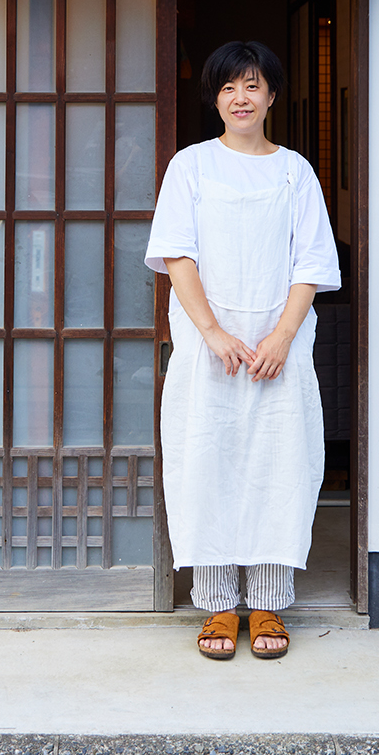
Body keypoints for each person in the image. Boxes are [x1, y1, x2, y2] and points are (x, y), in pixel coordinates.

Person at [145, 40, 340, 660]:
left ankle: (269, 606)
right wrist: (213, 333)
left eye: (252, 86)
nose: (241, 98)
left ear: (272, 95)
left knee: (278, 464)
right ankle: (218, 606)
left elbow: (310, 259)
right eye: (229, 88)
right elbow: (177, 254)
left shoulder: (295, 171)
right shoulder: (191, 166)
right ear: (216, 98)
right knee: (209, 461)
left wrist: (281, 337)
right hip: (211, 347)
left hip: (277, 347)